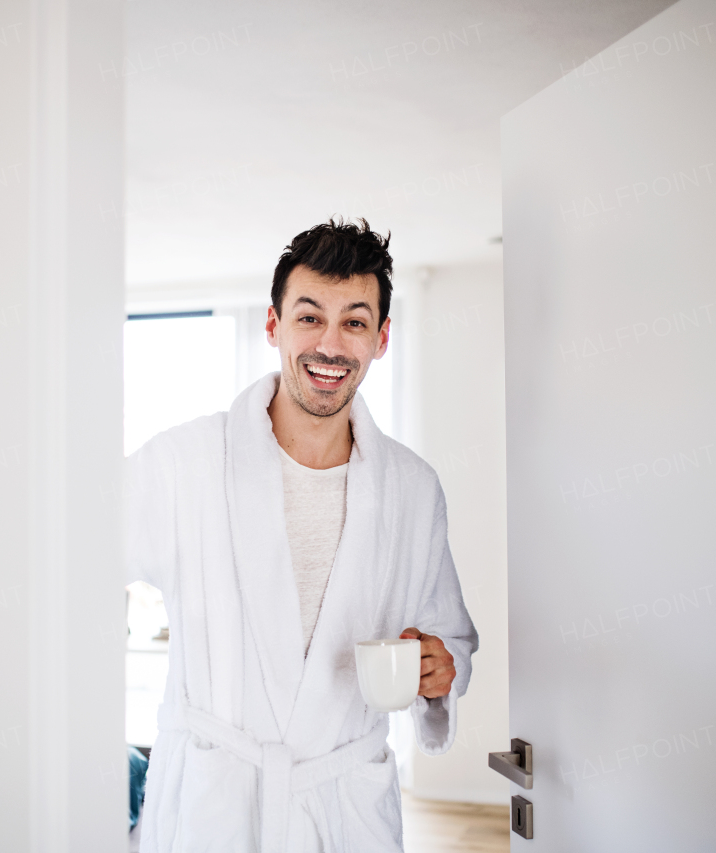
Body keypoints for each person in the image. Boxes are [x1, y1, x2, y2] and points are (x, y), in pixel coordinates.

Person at [126, 218, 478, 852]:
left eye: (355, 321)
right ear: (273, 325)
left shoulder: (413, 490)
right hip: (216, 811)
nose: (331, 345)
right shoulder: (184, 464)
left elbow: (448, 639)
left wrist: (439, 668)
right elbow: (64, 563)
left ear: (381, 338)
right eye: (310, 317)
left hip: (343, 811)